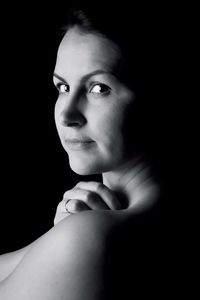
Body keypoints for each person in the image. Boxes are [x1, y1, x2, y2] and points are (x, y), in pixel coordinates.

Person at [0, 6, 170, 299]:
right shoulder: (90, 231)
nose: (67, 114)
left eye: (99, 88)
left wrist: (74, 236)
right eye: (62, 86)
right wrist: (56, 238)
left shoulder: (86, 240)